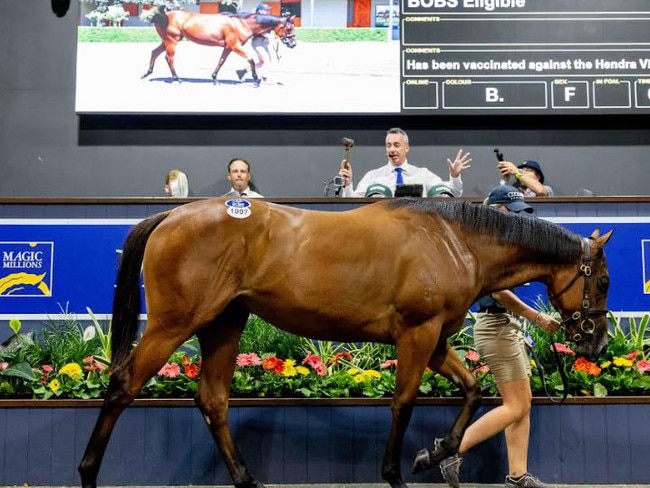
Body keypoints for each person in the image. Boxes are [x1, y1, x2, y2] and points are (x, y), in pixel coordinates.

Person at [437, 185, 560, 488]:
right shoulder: (486, 244)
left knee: (522, 404)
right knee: (516, 406)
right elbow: (498, 292)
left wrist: (521, 329)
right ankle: (451, 450)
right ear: (496, 210)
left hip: (504, 327)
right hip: (496, 327)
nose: (517, 220)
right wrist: (536, 317)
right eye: (512, 213)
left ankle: (517, 475)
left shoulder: (496, 243)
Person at [338, 127, 471, 198]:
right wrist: (348, 184)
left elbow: (453, 193)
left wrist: (454, 176)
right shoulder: (373, 176)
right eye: (388, 145)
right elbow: (353, 202)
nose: (392, 150)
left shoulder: (422, 174)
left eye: (396, 145)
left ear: (406, 148)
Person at [236, 3, 277, 82]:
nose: (268, 11)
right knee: (265, 60)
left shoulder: (264, 18)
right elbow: (259, 31)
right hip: (258, 42)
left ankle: (243, 71)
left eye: (268, 10)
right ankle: (264, 76)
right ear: (261, 11)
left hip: (264, 42)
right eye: (266, 10)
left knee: (262, 62)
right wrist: (270, 37)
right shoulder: (257, 19)